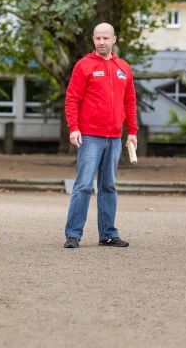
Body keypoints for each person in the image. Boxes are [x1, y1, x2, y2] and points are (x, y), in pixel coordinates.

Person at [62, 23, 138, 249]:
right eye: (97, 38)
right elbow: (72, 99)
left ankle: (107, 234)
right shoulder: (84, 65)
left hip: (114, 137)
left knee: (109, 186)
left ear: (114, 39)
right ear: (93, 40)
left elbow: (130, 102)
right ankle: (73, 234)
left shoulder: (123, 67)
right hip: (89, 136)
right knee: (83, 184)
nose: (101, 42)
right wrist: (73, 127)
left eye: (105, 38)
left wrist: (132, 132)